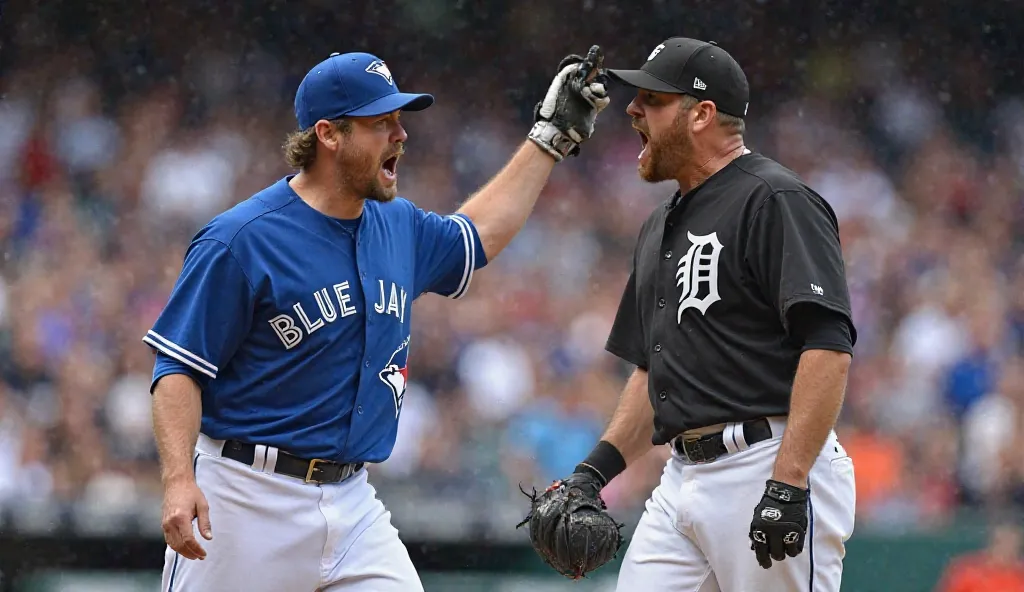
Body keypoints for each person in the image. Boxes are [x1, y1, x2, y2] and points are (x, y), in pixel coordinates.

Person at [144, 48, 609, 592]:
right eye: (380, 123)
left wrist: (546, 142)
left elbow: (478, 233)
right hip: (246, 496)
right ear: (329, 134)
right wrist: (178, 479)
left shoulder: (397, 224)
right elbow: (177, 368)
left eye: (399, 120)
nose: (400, 135)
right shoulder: (241, 240)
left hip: (353, 499)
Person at [537, 37, 858, 590]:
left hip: (768, 459)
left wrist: (789, 479)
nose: (632, 109)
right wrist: (592, 475)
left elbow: (827, 346)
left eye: (652, 100)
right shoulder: (659, 224)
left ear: (702, 114)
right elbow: (653, 374)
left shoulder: (775, 198)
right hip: (681, 475)